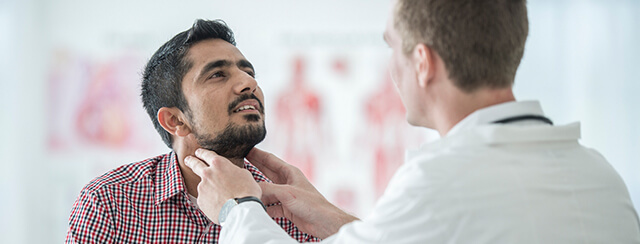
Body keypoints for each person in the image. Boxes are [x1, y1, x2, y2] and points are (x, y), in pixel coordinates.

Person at [185, 0, 640, 243]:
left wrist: (236, 210)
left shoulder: (444, 181)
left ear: (422, 62)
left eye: (392, 47)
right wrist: (334, 219)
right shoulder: (600, 175)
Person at [65, 19, 319, 243]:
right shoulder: (109, 203)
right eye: (218, 74)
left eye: (248, 72)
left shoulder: (293, 209)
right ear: (175, 120)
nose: (248, 83)